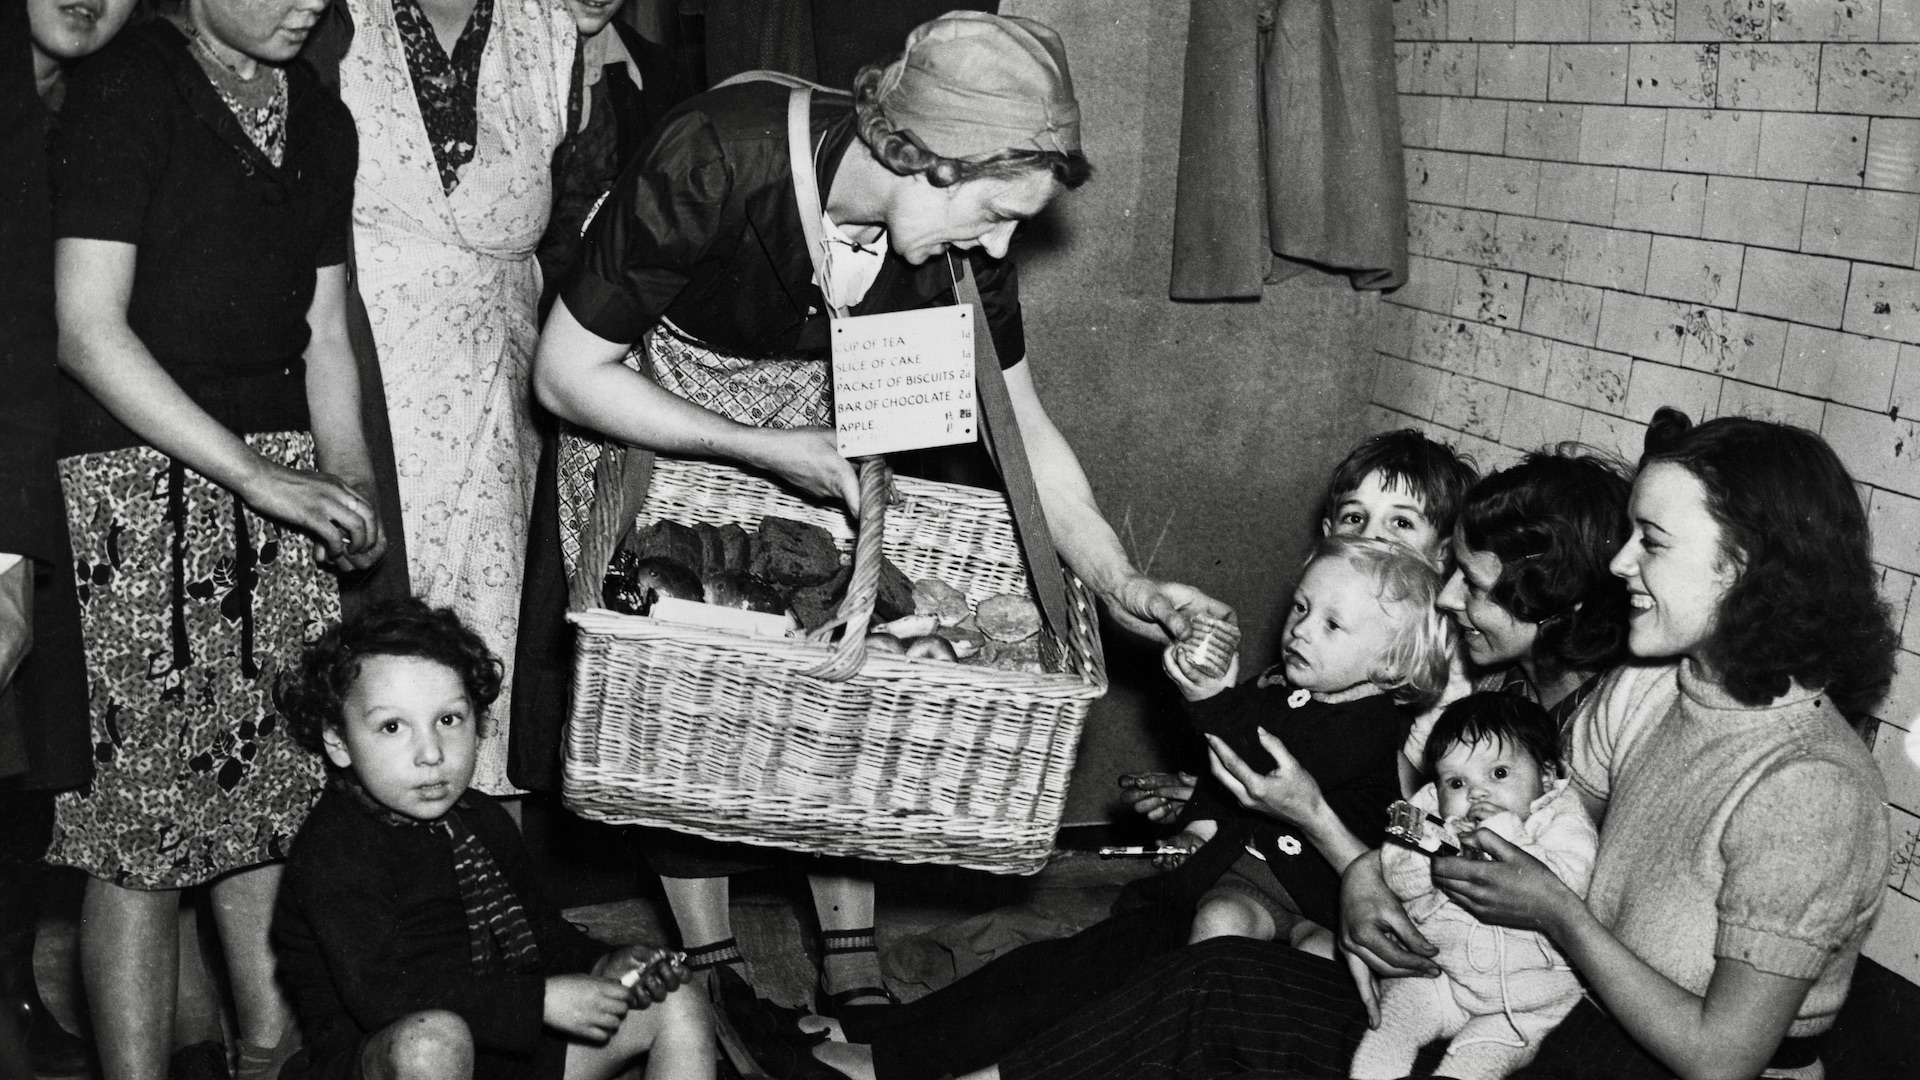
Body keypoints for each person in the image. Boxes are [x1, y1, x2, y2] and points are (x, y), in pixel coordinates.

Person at [523, 7, 1231, 1032]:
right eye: (995, 214)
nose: (999, 246)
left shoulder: (961, 238)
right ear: (928, 159)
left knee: (842, 661)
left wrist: (1124, 584)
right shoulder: (720, 154)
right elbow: (565, 372)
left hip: (818, 423)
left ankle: (847, 950)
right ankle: (712, 960)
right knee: (685, 690)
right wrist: (766, 451)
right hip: (653, 408)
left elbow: (1022, 430)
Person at [965, 408, 1894, 1080]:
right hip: (1532, 999)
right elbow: (1528, 835)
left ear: (1742, 569)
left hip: (1618, 1054)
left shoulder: (1806, 786)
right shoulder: (1657, 693)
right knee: (1217, 981)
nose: (1621, 565)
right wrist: (1380, 878)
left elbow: (1719, 1058)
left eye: (1650, 542)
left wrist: (1553, 916)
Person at [46, 0, 391, 1076]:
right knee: (144, 829)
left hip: (277, 484)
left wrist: (347, 475)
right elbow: (84, 330)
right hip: (134, 489)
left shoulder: (321, 116)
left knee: (275, 803)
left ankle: (267, 1052)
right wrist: (255, 475)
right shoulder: (129, 88)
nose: (307, 5)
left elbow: (325, 328)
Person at [271, 599, 712, 1080]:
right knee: (431, 1041)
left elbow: (542, 935)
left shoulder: (482, 819)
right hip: (387, 1056)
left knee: (677, 1002)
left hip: (504, 1045)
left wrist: (604, 961)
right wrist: (541, 1002)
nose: (430, 753)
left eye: (448, 719)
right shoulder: (334, 850)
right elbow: (387, 995)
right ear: (338, 742)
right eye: (393, 727)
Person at [337, 0, 574, 795]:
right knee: (365, 678)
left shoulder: (549, 27)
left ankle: (487, 904)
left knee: (486, 662)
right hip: (357, 393)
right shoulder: (324, 18)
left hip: (499, 415)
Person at [0, 0, 142, 1075]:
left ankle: (8, 991)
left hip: (59, 484)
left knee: (30, 773)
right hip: (13, 491)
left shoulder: (116, 102)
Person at [1120, 427, 1476, 825]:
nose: (1371, 537)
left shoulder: (1454, 669)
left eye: (1401, 524)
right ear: (1327, 537)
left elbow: (1400, 799)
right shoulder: (1315, 639)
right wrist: (1211, 797)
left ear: (1443, 555)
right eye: (1354, 517)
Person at [1160, 536, 1451, 956]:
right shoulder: (1276, 686)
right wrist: (1196, 830)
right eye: (1301, 606)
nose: (1301, 629)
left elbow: (1259, 769)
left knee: (1321, 957)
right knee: (1216, 921)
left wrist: (1210, 701)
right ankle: (1195, 1007)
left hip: (1327, 901)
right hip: (1250, 878)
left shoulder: (1373, 724)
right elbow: (1217, 773)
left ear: (1388, 663)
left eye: (1332, 624)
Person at [1349, 692, 1595, 1080]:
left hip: (1526, 1002)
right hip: (1443, 978)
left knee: (1473, 1065)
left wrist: (1501, 833)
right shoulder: (1430, 809)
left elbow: (1570, 883)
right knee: (1389, 1030)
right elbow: (1397, 874)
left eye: (1498, 773)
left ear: (1546, 775)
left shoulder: (1560, 815)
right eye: (1457, 782)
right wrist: (1436, 848)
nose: (1476, 793)